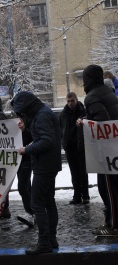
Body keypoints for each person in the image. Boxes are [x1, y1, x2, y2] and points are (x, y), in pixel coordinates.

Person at [12, 91, 61, 255]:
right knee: (48, 202)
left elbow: (47, 140)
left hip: (44, 165)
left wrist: (27, 149)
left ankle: (44, 243)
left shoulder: (41, 116)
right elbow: (44, 137)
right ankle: (51, 240)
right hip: (49, 164)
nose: (22, 115)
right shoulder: (44, 113)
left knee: (37, 203)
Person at [78, 65, 118, 236]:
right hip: (114, 150)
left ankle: (113, 226)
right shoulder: (107, 91)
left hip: (107, 153)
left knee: (108, 189)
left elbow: (103, 122)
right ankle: (110, 220)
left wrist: (85, 123)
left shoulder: (92, 97)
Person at [59, 92, 89, 205]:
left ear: (76, 100)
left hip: (81, 147)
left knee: (83, 172)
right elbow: (60, 128)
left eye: (72, 100)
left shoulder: (83, 112)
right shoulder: (63, 114)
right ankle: (77, 195)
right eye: (68, 101)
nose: (70, 103)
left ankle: (85, 195)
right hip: (69, 147)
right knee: (74, 173)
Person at [15, 117, 35, 227]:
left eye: (21, 122)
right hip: (17, 163)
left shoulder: (29, 133)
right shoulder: (13, 133)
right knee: (27, 187)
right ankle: (34, 211)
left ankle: (30, 213)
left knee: (22, 187)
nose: (19, 124)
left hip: (27, 161)